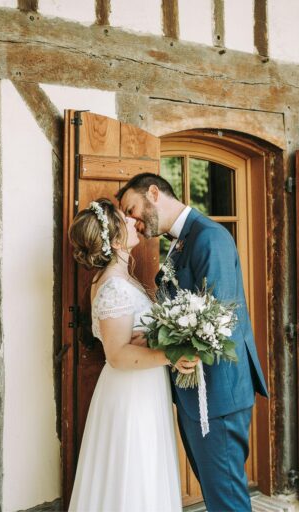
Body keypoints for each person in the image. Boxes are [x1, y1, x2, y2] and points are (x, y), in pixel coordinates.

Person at [118, 174, 269, 512]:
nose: (133, 222)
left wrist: (165, 345)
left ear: (154, 193)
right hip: (195, 396)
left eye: (132, 210)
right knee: (217, 498)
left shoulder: (210, 237)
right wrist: (156, 333)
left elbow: (217, 318)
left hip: (217, 395)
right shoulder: (181, 240)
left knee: (227, 501)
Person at [67, 198, 195, 512]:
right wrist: (170, 354)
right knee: (132, 473)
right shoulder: (113, 286)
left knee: (145, 471)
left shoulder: (121, 280)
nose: (131, 219)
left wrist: (154, 336)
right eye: (124, 218)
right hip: (130, 393)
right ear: (115, 241)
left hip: (143, 388)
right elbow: (117, 355)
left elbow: (130, 340)